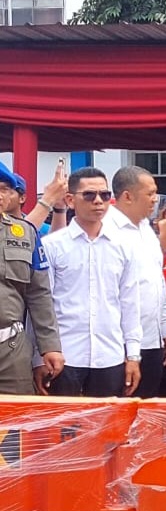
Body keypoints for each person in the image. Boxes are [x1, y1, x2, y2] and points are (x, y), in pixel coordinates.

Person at [37, 168, 142, 398]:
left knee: (109, 430)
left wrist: (133, 355)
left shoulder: (124, 246)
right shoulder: (52, 245)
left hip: (110, 354)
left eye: (104, 195)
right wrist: (39, 356)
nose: (98, 202)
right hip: (63, 355)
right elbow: (42, 306)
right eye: (89, 195)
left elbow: (130, 303)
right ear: (69, 200)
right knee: (63, 430)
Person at [103, 165, 166, 398]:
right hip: (120, 342)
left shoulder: (146, 229)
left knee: (148, 407)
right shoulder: (107, 231)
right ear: (127, 196)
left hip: (151, 336)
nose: (155, 200)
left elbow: (156, 283)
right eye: (150, 194)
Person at [0, 162, 63, 396]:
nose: (0, 195)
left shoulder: (25, 233)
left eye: (5, 188)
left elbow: (39, 294)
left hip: (10, 348)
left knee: (14, 423)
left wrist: (50, 346)